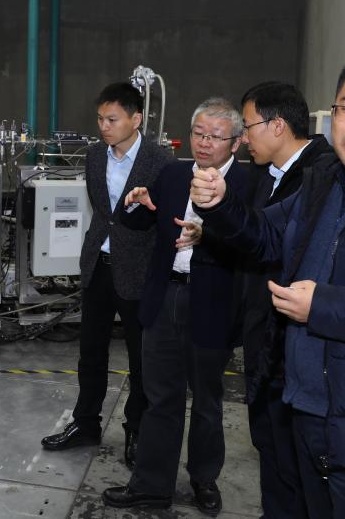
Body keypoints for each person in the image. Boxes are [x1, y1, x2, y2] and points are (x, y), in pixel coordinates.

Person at [190, 52, 345, 518]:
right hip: (300, 406)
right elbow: (265, 236)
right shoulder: (322, 181)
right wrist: (221, 205)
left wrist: (324, 307)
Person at [102, 97, 247, 516]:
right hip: (165, 295)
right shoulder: (174, 174)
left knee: (207, 400)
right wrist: (136, 203)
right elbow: (141, 223)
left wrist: (208, 236)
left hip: (211, 302)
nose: (204, 143)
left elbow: (253, 244)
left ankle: (204, 478)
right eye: (198, 134)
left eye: (215, 136)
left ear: (235, 143)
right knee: (159, 396)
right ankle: (151, 485)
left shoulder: (249, 184)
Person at [41, 82, 173, 468]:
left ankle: (137, 430)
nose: (104, 126)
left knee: (140, 358)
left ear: (137, 119)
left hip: (139, 270)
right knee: (91, 353)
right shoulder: (95, 155)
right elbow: (104, 212)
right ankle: (85, 423)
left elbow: (161, 216)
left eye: (112, 119)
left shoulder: (160, 160)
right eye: (100, 119)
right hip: (98, 264)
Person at [237, 82, 333, 519]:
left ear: (277, 125)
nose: (244, 138)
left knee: (295, 463)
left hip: (295, 348)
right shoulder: (266, 175)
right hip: (264, 340)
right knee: (269, 447)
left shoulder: (322, 176)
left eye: (248, 126)